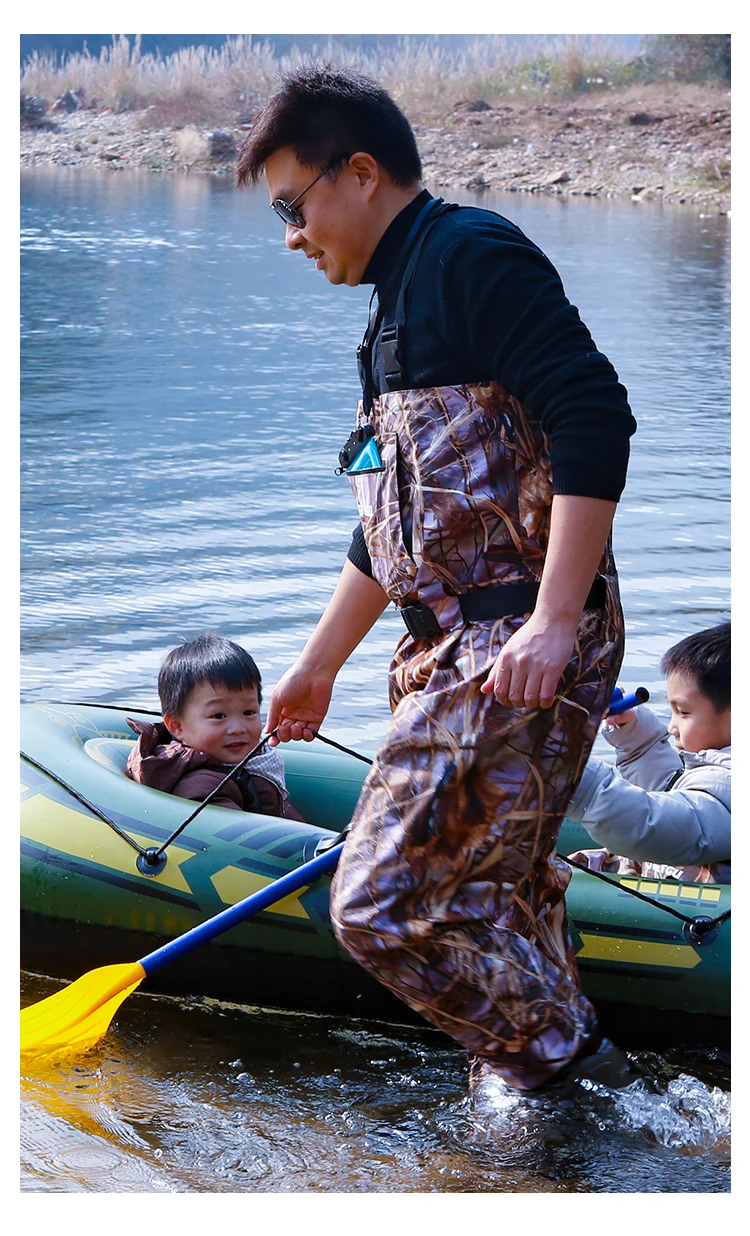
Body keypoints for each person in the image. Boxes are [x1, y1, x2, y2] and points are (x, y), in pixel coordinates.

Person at [237, 66, 637, 1090]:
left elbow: (594, 414)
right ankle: (532, 1091)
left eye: (295, 205)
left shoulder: (470, 253)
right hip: (450, 643)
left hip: (514, 640)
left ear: (359, 172)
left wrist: (552, 622)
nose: (291, 236)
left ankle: (571, 1071)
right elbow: (392, 527)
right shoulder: (389, 320)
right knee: (489, 888)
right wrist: (318, 665)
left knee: (376, 901)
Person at [565, 621, 730, 884]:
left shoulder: (731, 787)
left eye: (684, 712)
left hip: (688, 893)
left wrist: (584, 786)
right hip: (659, 868)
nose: (672, 727)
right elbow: (671, 787)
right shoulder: (714, 770)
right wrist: (633, 733)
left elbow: (656, 827)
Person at [126, 633, 304, 819]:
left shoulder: (257, 763)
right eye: (219, 716)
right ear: (176, 726)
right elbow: (244, 839)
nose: (238, 728)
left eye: (248, 712)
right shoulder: (202, 787)